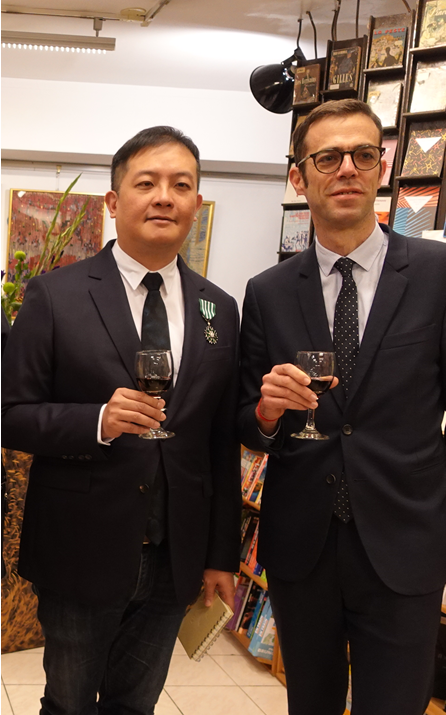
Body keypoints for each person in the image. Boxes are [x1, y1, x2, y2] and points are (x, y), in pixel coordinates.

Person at [237, 99, 446, 715]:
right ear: (301, 178)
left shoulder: (445, 276)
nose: (347, 169)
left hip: (404, 547)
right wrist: (267, 413)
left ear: (383, 166)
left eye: (362, 155)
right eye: (328, 157)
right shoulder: (269, 293)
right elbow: (245, 423)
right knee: (311, 703)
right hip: (303, 548)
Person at [1, 126, 241, 715]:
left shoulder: (219, 308)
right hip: (81, 547)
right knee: (70, 703)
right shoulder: (55, 296)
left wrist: (220, 555)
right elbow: (11, 416)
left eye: (181, 185)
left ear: (195, 203)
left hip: (174, 555)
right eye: (147, 183)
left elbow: (218, 442)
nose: (165, 196)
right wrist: (99, 421)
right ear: (114, 203)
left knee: (135, 707)